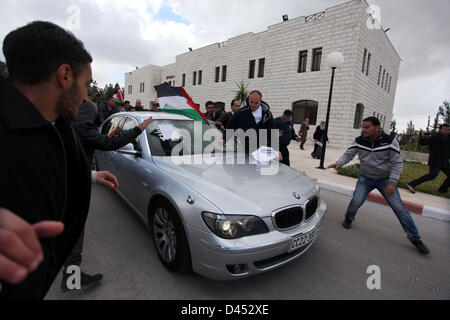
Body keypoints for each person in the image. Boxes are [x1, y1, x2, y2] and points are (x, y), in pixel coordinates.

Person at [0, 21, 119, 299]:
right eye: (86, 85)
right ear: (65, 76)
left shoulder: (57, 126)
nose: (86, 97)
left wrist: (91, 177)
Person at [60, 100, 153, 292]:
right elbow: (109, 143)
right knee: (74, 231)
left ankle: (67, 274)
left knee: (68, 229)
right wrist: (139, 129)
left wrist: (92, 175)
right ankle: (71, 280)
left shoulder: (63, 125)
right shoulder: (83, 129)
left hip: (63, 184)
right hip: (73, 188)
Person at [328, 117, 430, 255]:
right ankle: (348, 218)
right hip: (366, 178)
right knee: (356, 201)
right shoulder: (359, 141)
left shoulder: (389, 141)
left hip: (385, 180)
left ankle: (415, 239)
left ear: (377, 127)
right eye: (363, 127)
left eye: (367, 127)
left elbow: (397, 163)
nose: (363, 130)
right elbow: (349, 154)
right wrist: (339, 163)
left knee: (399, 208)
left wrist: (392, 182)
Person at [407, 124, 450, 194]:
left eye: (448, 130)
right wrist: (423, 137)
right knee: (432, 176)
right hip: (435, 161)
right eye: (445, 129)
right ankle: (412, 184)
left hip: (445, 162)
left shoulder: (448, 138)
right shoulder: (434, 137)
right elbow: (422, 143)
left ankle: (442, 190)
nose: (447, 131)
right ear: (440, 130)